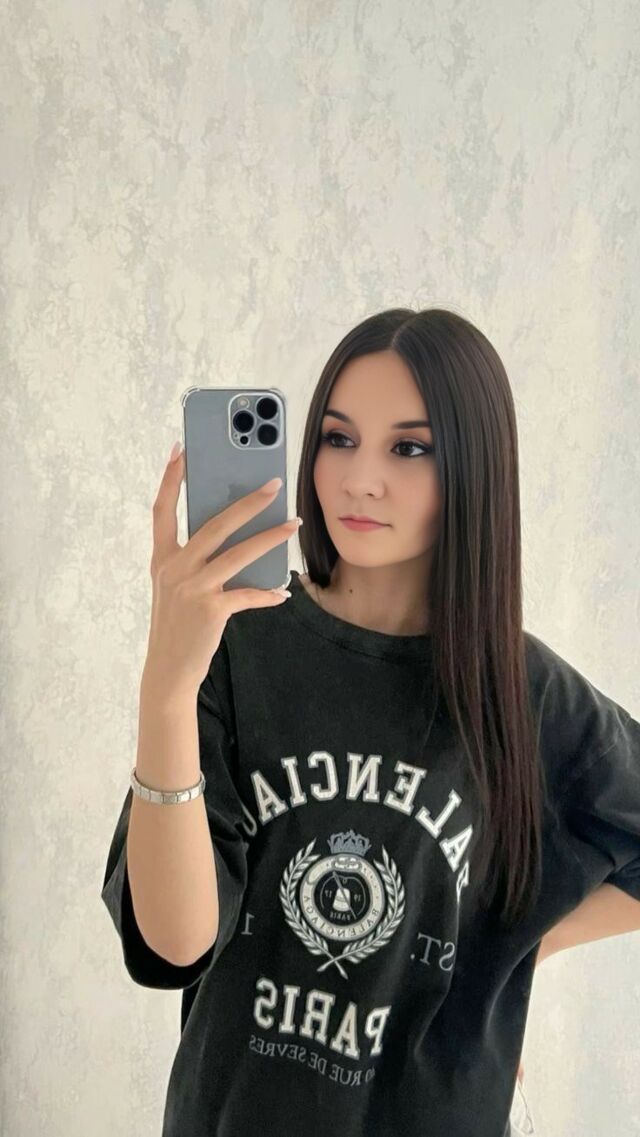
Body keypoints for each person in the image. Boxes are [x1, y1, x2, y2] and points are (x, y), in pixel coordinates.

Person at [101, 307, 640, 1137]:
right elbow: (174, 945)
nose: (360, 478)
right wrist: (167, 690)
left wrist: (511, 947)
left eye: (409, 448)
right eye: (339, 438)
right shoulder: (237, 638)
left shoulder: (523, 691)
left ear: (474, 468)